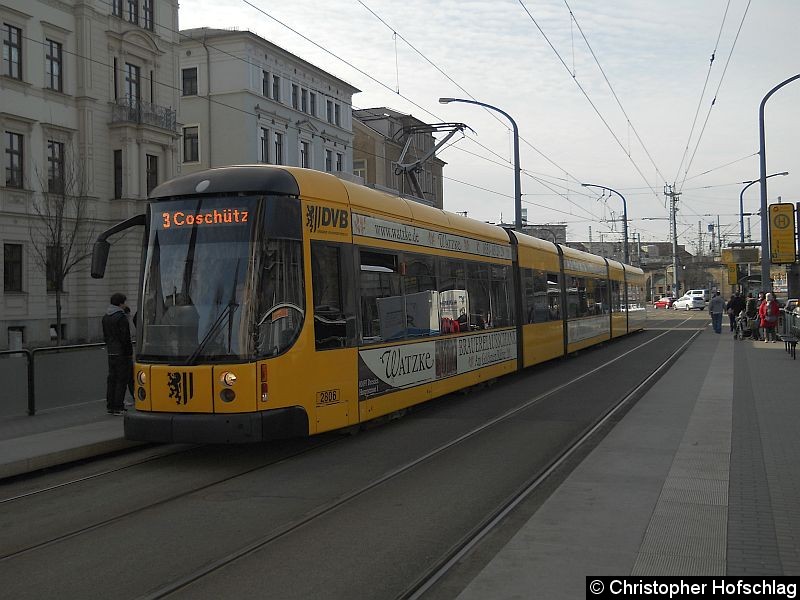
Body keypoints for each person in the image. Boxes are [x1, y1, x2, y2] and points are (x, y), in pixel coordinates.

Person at [102, 292, 133, 415]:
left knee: (112, 379)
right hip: (121, 352)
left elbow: (105, 336)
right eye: (124, 302)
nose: (125, 305)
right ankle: (118, 406)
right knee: (121, 380)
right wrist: (129, 353)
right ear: (121, 303)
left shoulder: (105, 317)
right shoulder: (121, 317)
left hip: (111, 352)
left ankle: (110, 405)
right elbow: (125, 337)